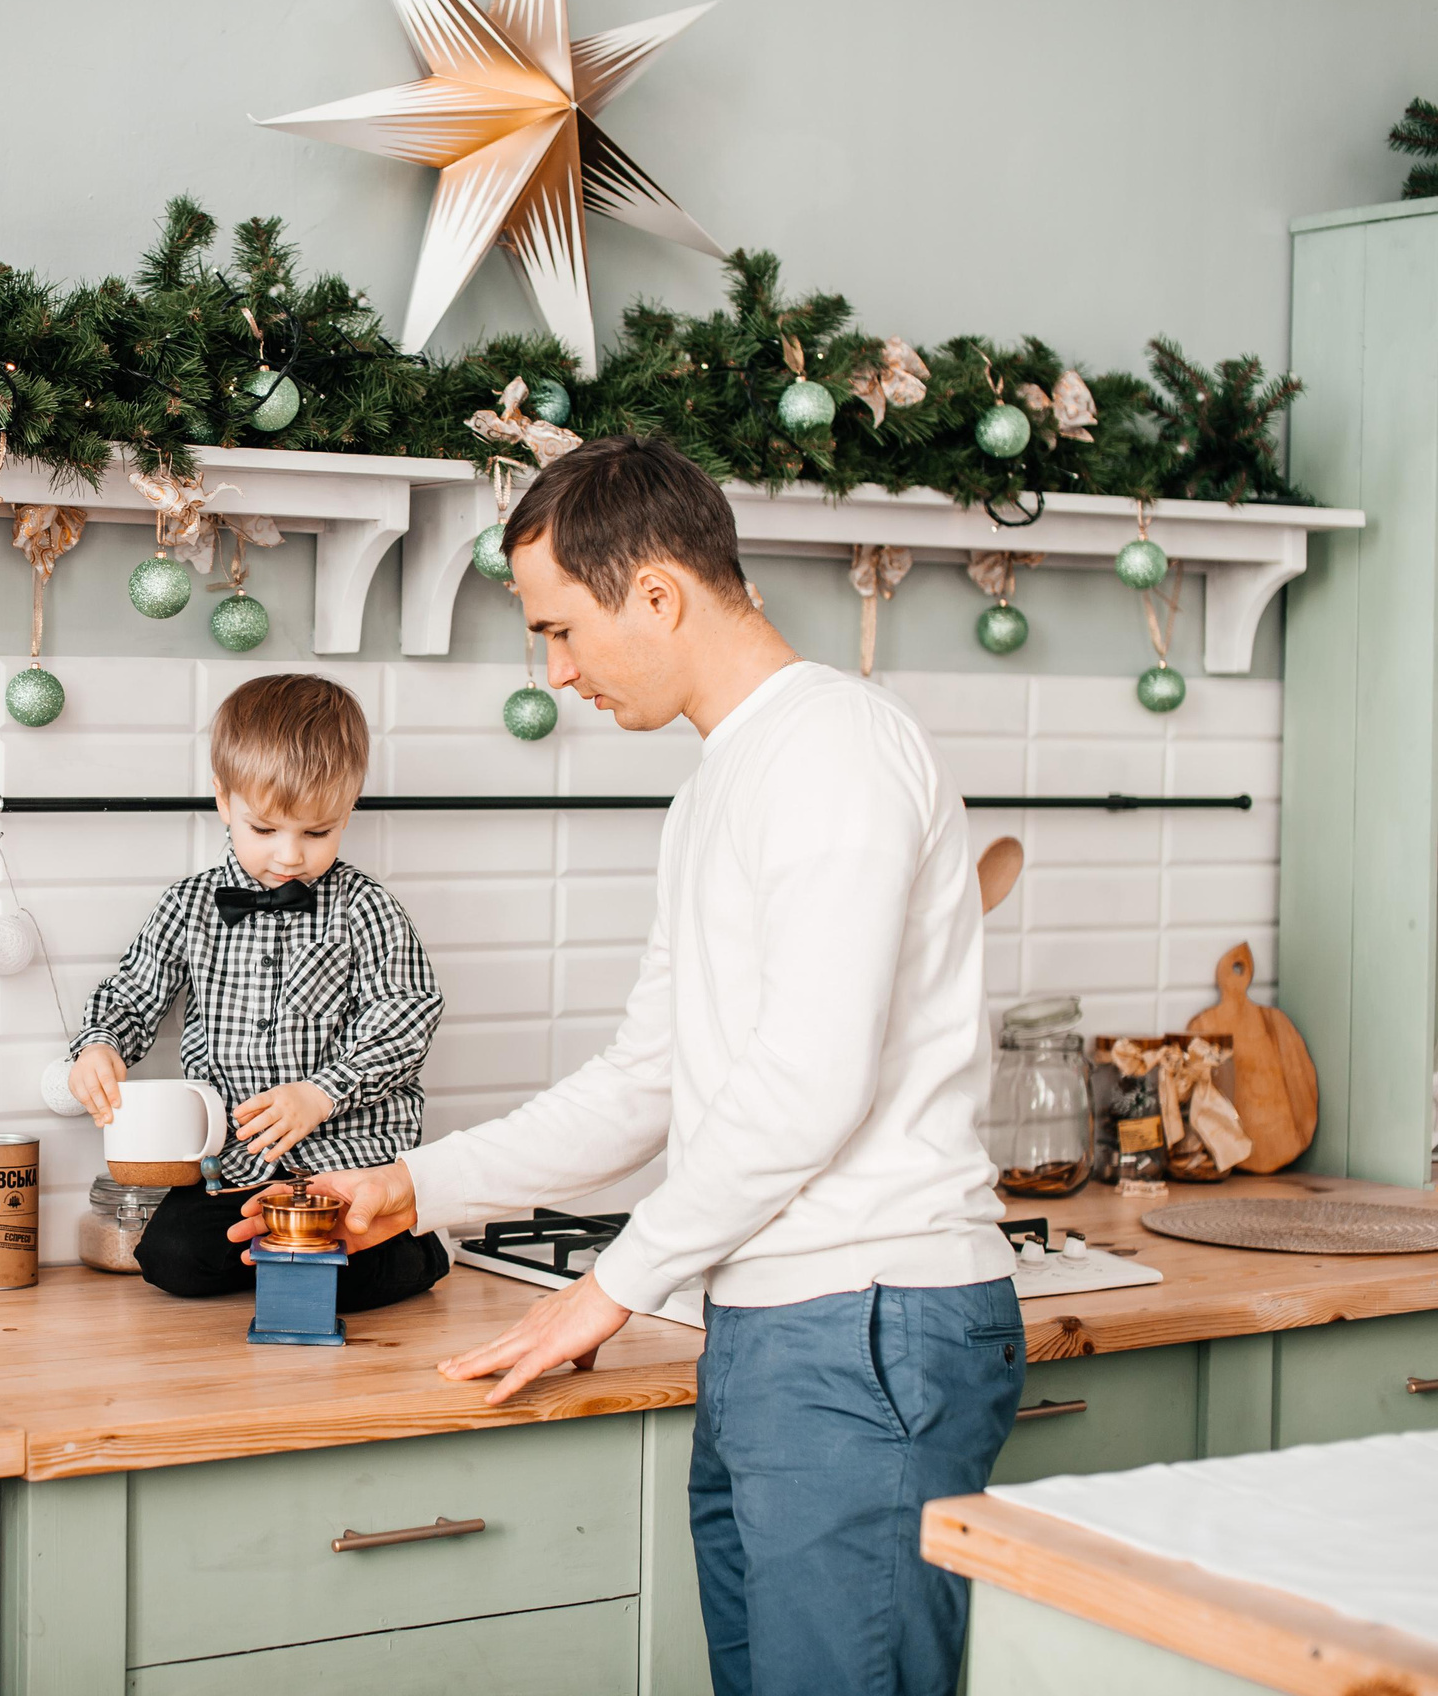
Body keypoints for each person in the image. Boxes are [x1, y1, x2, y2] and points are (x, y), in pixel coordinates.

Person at [233, 437, 1022, 1696]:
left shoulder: (833, 752)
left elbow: (807, 1086)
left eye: (559, 629)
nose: (556, 670)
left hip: (866, 1323)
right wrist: (410, 1187)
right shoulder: (722, 784)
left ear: (657, 593)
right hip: (778, 1332)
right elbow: (645, 1078)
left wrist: (613, 1284)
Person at [67, 672, 449, 1311]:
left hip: (347, 1163)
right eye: (266, 830)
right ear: (223, 799)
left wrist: (320, 1094)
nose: (290, 856)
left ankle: (413, 1245)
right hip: (237, 1168)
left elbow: (408, 1013)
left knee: (352, 1278)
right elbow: (134, 991)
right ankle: (281, 1260)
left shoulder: (367, 908)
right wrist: (101, 1046)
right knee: (170, 1259)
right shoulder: (188, 906)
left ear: (348, 808)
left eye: (318, 833)